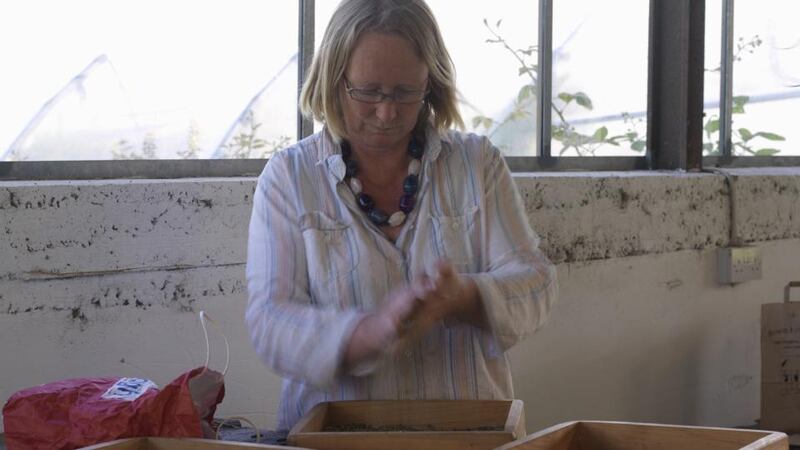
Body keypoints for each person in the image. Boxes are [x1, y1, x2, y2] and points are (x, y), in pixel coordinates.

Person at [245, 0, 558, 431]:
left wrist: (464, 297)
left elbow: (536, 284)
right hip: (337, 438)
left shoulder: (475, 164)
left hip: (468, 436)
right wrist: (367, 333)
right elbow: (270, 321)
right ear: (335, 81)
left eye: (405, 92)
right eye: (368, 92)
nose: (387, 112)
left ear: (430, 84)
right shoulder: (290, 178)